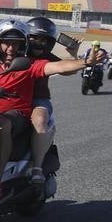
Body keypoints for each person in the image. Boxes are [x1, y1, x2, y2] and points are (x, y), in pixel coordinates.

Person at [0, 19, 106, 206]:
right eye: (6, 42)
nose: (10, 48)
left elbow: (61, 67)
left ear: (23, 44)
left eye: (16, 43)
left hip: (16, 112)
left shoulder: (30, 64)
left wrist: (86, 61)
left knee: (4, 124)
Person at [26, 17, 82, 184]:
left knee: (39, 120)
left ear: (49, 42)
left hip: (38, 100)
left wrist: (73, 55)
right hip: (9, 98)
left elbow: (68, 70)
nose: (38, 43)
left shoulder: (48, 57)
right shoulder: (14, 52)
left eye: (43, 40)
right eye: (34, 38)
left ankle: (37, 168)